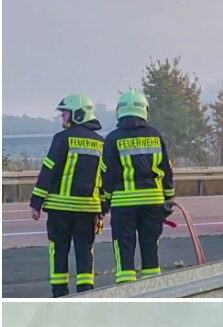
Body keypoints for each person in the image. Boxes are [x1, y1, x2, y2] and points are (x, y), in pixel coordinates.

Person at [30, 94, 105, 297]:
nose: (62, 116)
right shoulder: (100, 143)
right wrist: (102, 209)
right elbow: (104, 179)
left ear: (78, 114)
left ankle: (60, 294)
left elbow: (48, 170)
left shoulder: (62, 139)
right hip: (88, 210)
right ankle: (86, 293)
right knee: (84, 251)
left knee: (58, 251)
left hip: (60, 210)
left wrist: (36, 203)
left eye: (65, 112)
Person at [101, 89, 175, 283]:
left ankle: (127, 293)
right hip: (153, 203)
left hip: (123, 205)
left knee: (124, 252)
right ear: (144, 110)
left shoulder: (113, 139)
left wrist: (104, 203)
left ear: (120, 111)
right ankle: (153, 292)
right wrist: (169, 198)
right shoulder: (155, 135)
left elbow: (107, 173)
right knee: (150, 250)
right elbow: (166, 168)